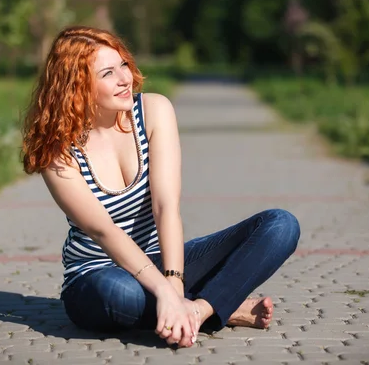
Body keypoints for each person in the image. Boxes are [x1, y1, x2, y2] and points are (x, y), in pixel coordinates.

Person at [21, 26, 301, 348]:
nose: (125, 78)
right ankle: (224, 305)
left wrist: (173, 286)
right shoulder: (57, 151)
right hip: (97, 276)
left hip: (159, 261)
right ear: (77, 86)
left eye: (123, 64)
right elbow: (105, 232)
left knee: (281, 226)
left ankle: (198, 310)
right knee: (121, 294)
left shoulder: (153, 110)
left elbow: (165, 207)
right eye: (108, 73)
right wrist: (166, 292)